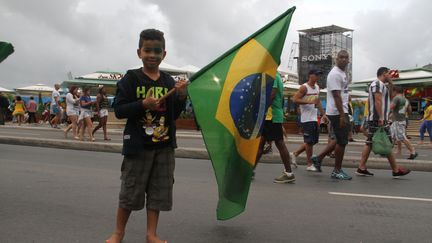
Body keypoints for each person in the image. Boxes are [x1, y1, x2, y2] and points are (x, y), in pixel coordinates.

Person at [106, 29, 187, 243]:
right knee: (130, 191)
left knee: (158, 192)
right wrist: (143, 104)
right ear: (139, 52)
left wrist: (180, 96)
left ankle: (152, 235)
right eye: (148, 50)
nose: (152, 54)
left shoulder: (169, 81)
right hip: (138, 146)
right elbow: (120, 109)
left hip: (164, 145)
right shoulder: (131, 79)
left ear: (164, 54)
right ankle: (118, 233)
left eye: (157, 51)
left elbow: (174, 114)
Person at [356, 67, 410, 178]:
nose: (390, 75)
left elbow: (389, 97)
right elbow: (378, 100)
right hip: (377, 119)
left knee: (370, 142)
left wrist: (391, 83)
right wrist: (381, 117)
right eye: (389, 74)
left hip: (379, 118)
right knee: (387, 142)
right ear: (384, 73)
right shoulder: (377, 84)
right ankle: (395, 170)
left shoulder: (382, 85)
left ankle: (361, 167)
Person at [314, 50, 352, 180]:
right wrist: (342, 115)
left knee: (338, 138)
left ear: (348, 60)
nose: (343, 59)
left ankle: (318, 158)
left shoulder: (342, 73)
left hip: (341, 110)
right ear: (336, 59)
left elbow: (342, 93)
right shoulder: (335, 74)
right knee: (342, 142)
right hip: (338, 112)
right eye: (341, 57)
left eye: (346, 58)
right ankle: (337, 170)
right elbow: (336, 96)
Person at [255, 73, 295, 183]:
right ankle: (250, 170)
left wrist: (261, 109)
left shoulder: (273, 76)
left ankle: (289, 173)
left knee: (279, 143)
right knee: (261, 144)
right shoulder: (274, 76)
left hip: (272, 116)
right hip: (270, 116)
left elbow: (271, 95)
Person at [291, 69, 327, 172]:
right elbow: (295, 99)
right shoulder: (304, 87)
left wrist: (323, 114)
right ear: (310, 75)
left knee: (313, 141)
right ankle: (309, 164)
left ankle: (295, 153)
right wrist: (309, 101)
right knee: (309, 142)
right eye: (316, 75)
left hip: (314, 118)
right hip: (306, 118)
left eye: (319, 75)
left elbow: (317, 102)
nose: (318, 77)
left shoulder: (317, 87)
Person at [390, 86, 417, 159]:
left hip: (397, 121)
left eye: (393, 91)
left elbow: (391, 107)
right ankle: (397, 150)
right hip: (402, 120)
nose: (392, 93)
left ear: (395, 91)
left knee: (402, 137)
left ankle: (413, 151)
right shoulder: (406, 100)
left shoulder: (396, 98)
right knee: (393, 135)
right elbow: (410, 111)